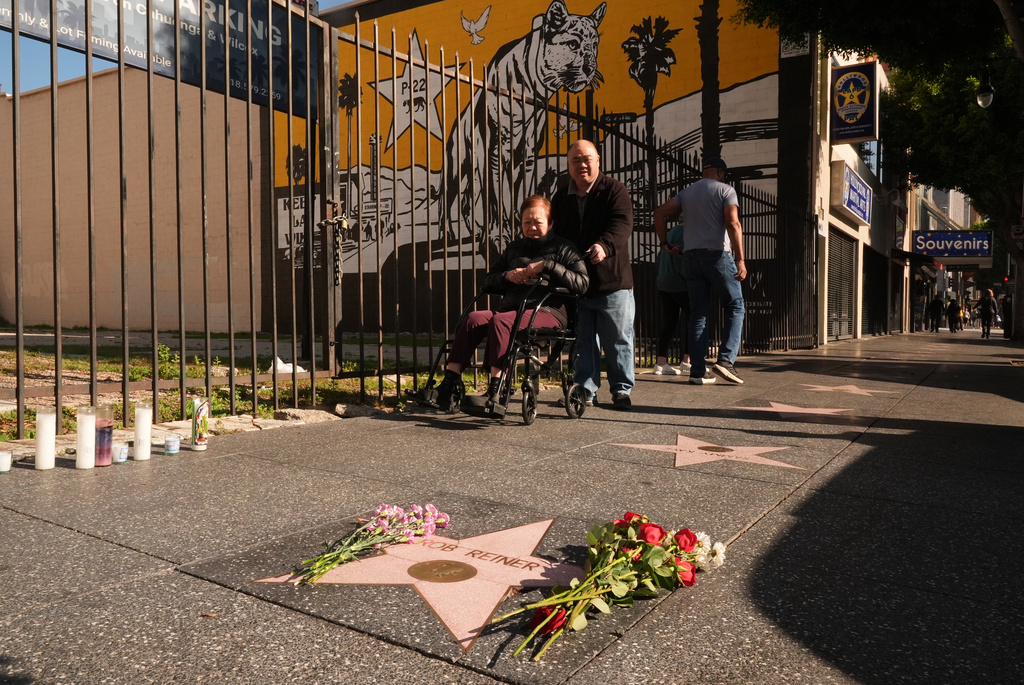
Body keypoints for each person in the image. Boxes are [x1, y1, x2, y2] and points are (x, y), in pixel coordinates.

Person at [434, 196, 589, 409]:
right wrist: (507, 276)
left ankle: (496, 390)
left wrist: (548, 266)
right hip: (513, 309)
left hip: (548, 312)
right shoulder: (514, 248)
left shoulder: (565, 248)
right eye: (527, 222)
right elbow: (489, 279)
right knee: (473, 319)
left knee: (501, 321)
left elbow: (582, 283)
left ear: (551, 223)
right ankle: (448, 384)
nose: (532, 227)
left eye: (538, 222)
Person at [551, 139, 636, 410]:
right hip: (578, 283)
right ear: (568, 165)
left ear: (598, 160)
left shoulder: (614, 190)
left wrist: (604, 245)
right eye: (575, 160)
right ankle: (586, 389)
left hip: (613, 280)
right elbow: (557, 235)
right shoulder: (562, 196)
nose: (582, 165)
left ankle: (621, 389)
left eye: (587, 158)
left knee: (618, 338)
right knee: (584, 339)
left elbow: (622, 223)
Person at [654, 156, 746, 385]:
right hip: (717, 255)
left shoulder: (686, 193)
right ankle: (725, 361)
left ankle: (697, 370)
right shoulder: (726, 191)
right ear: (721, 173)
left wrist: (664, 243)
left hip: (691, 259)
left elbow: (659, 213)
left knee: (698, 314)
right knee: (735, 305)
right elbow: (732, 223)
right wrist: (741, 259)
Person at [653, 221, 690, 375]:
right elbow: (681, 258)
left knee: (669, 322)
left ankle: (661, 363)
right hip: (680, 284)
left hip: (664, 283)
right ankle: (688, 361)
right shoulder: (685, 233)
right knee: (693, 320)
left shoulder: (669, 233)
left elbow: (660, 256)